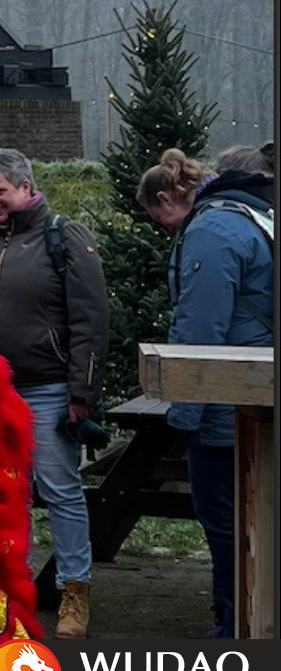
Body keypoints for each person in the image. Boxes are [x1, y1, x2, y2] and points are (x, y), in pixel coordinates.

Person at [0, 148, 108, 640]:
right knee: (0, 494)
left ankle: (73, 592)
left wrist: (82, 391)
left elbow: (91, 319)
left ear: (24, 187)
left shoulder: (64, 236)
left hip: (49, 389)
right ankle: (8, 591)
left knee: (60, 490)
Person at [136, 147, 274, 639]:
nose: (169, 231)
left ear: (171, 196)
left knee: (229, 526)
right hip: (253, 398)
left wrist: (185, 416)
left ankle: (234, 633)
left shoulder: (212, 231)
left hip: (228, 408)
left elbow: (199, 332)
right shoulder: (253, 215)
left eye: (163, 220)